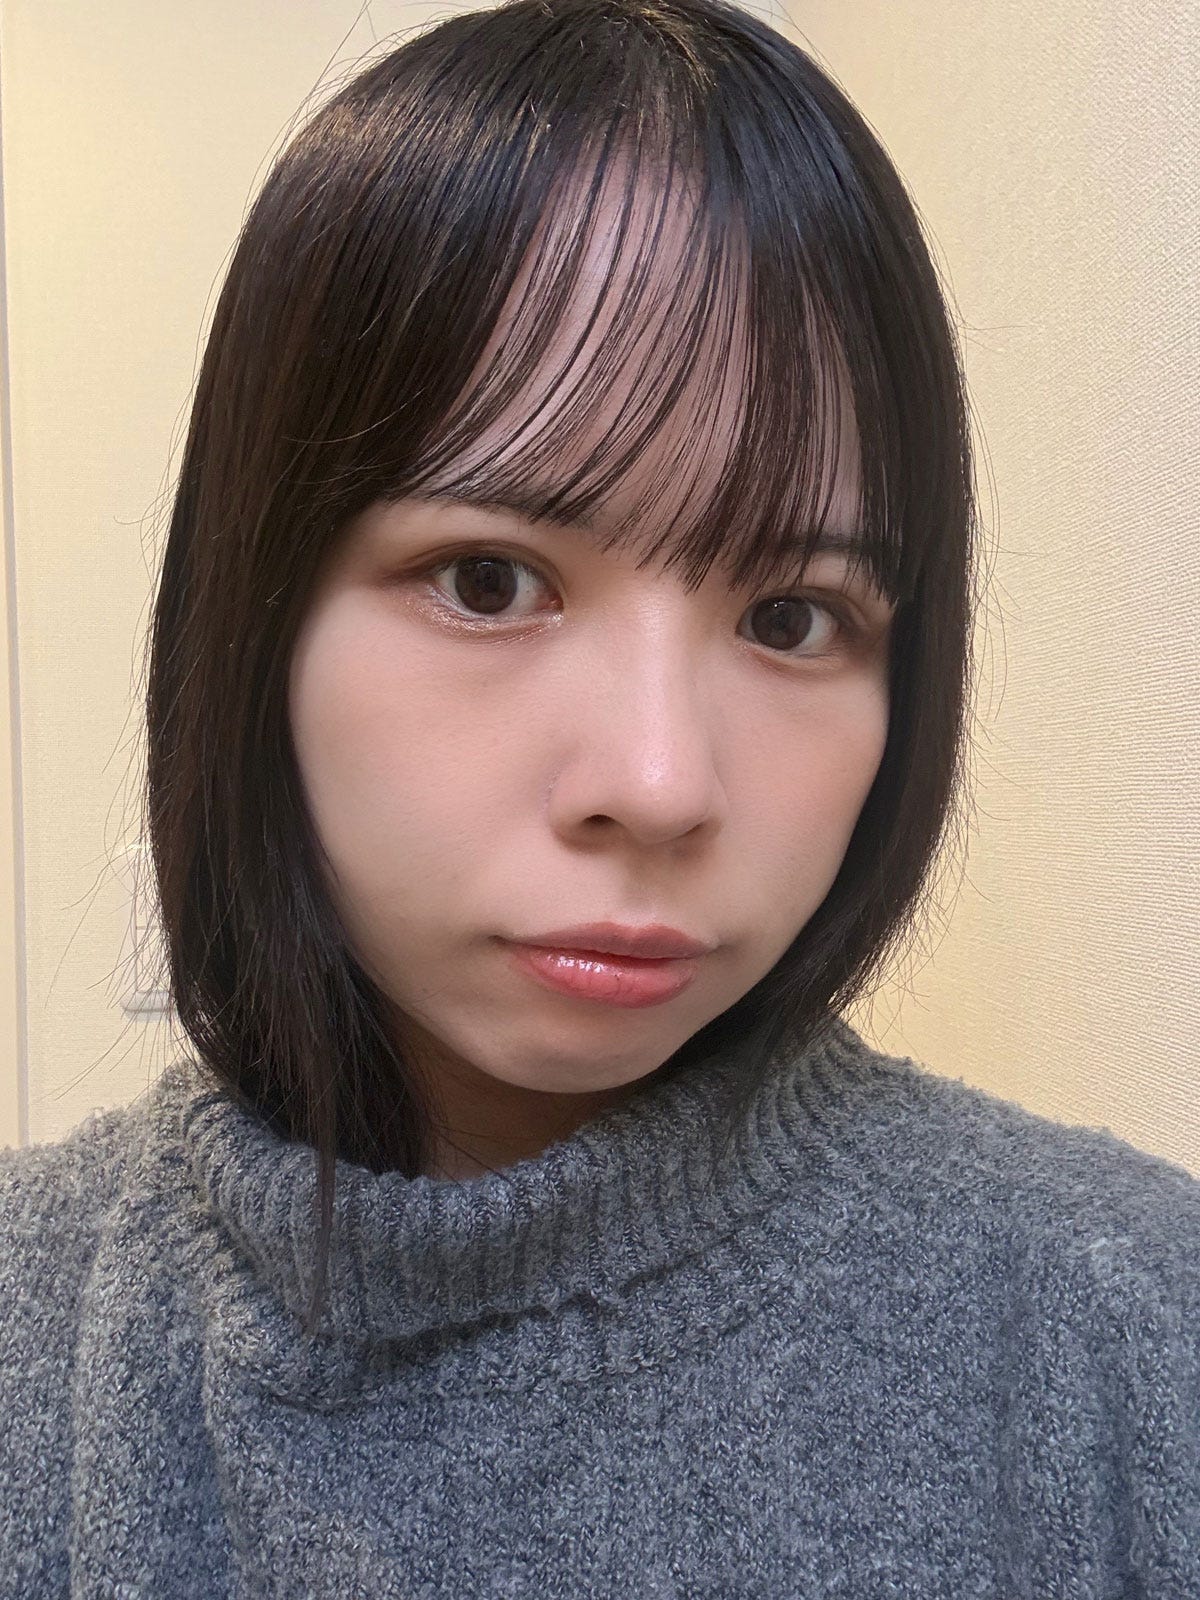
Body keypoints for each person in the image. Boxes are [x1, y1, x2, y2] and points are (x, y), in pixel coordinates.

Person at [1, 0, 1196, 1592]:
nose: (659, 782)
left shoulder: (1135, 1325)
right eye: (489, 581)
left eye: (792, 617)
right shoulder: (34, 1333)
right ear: (256, 613)